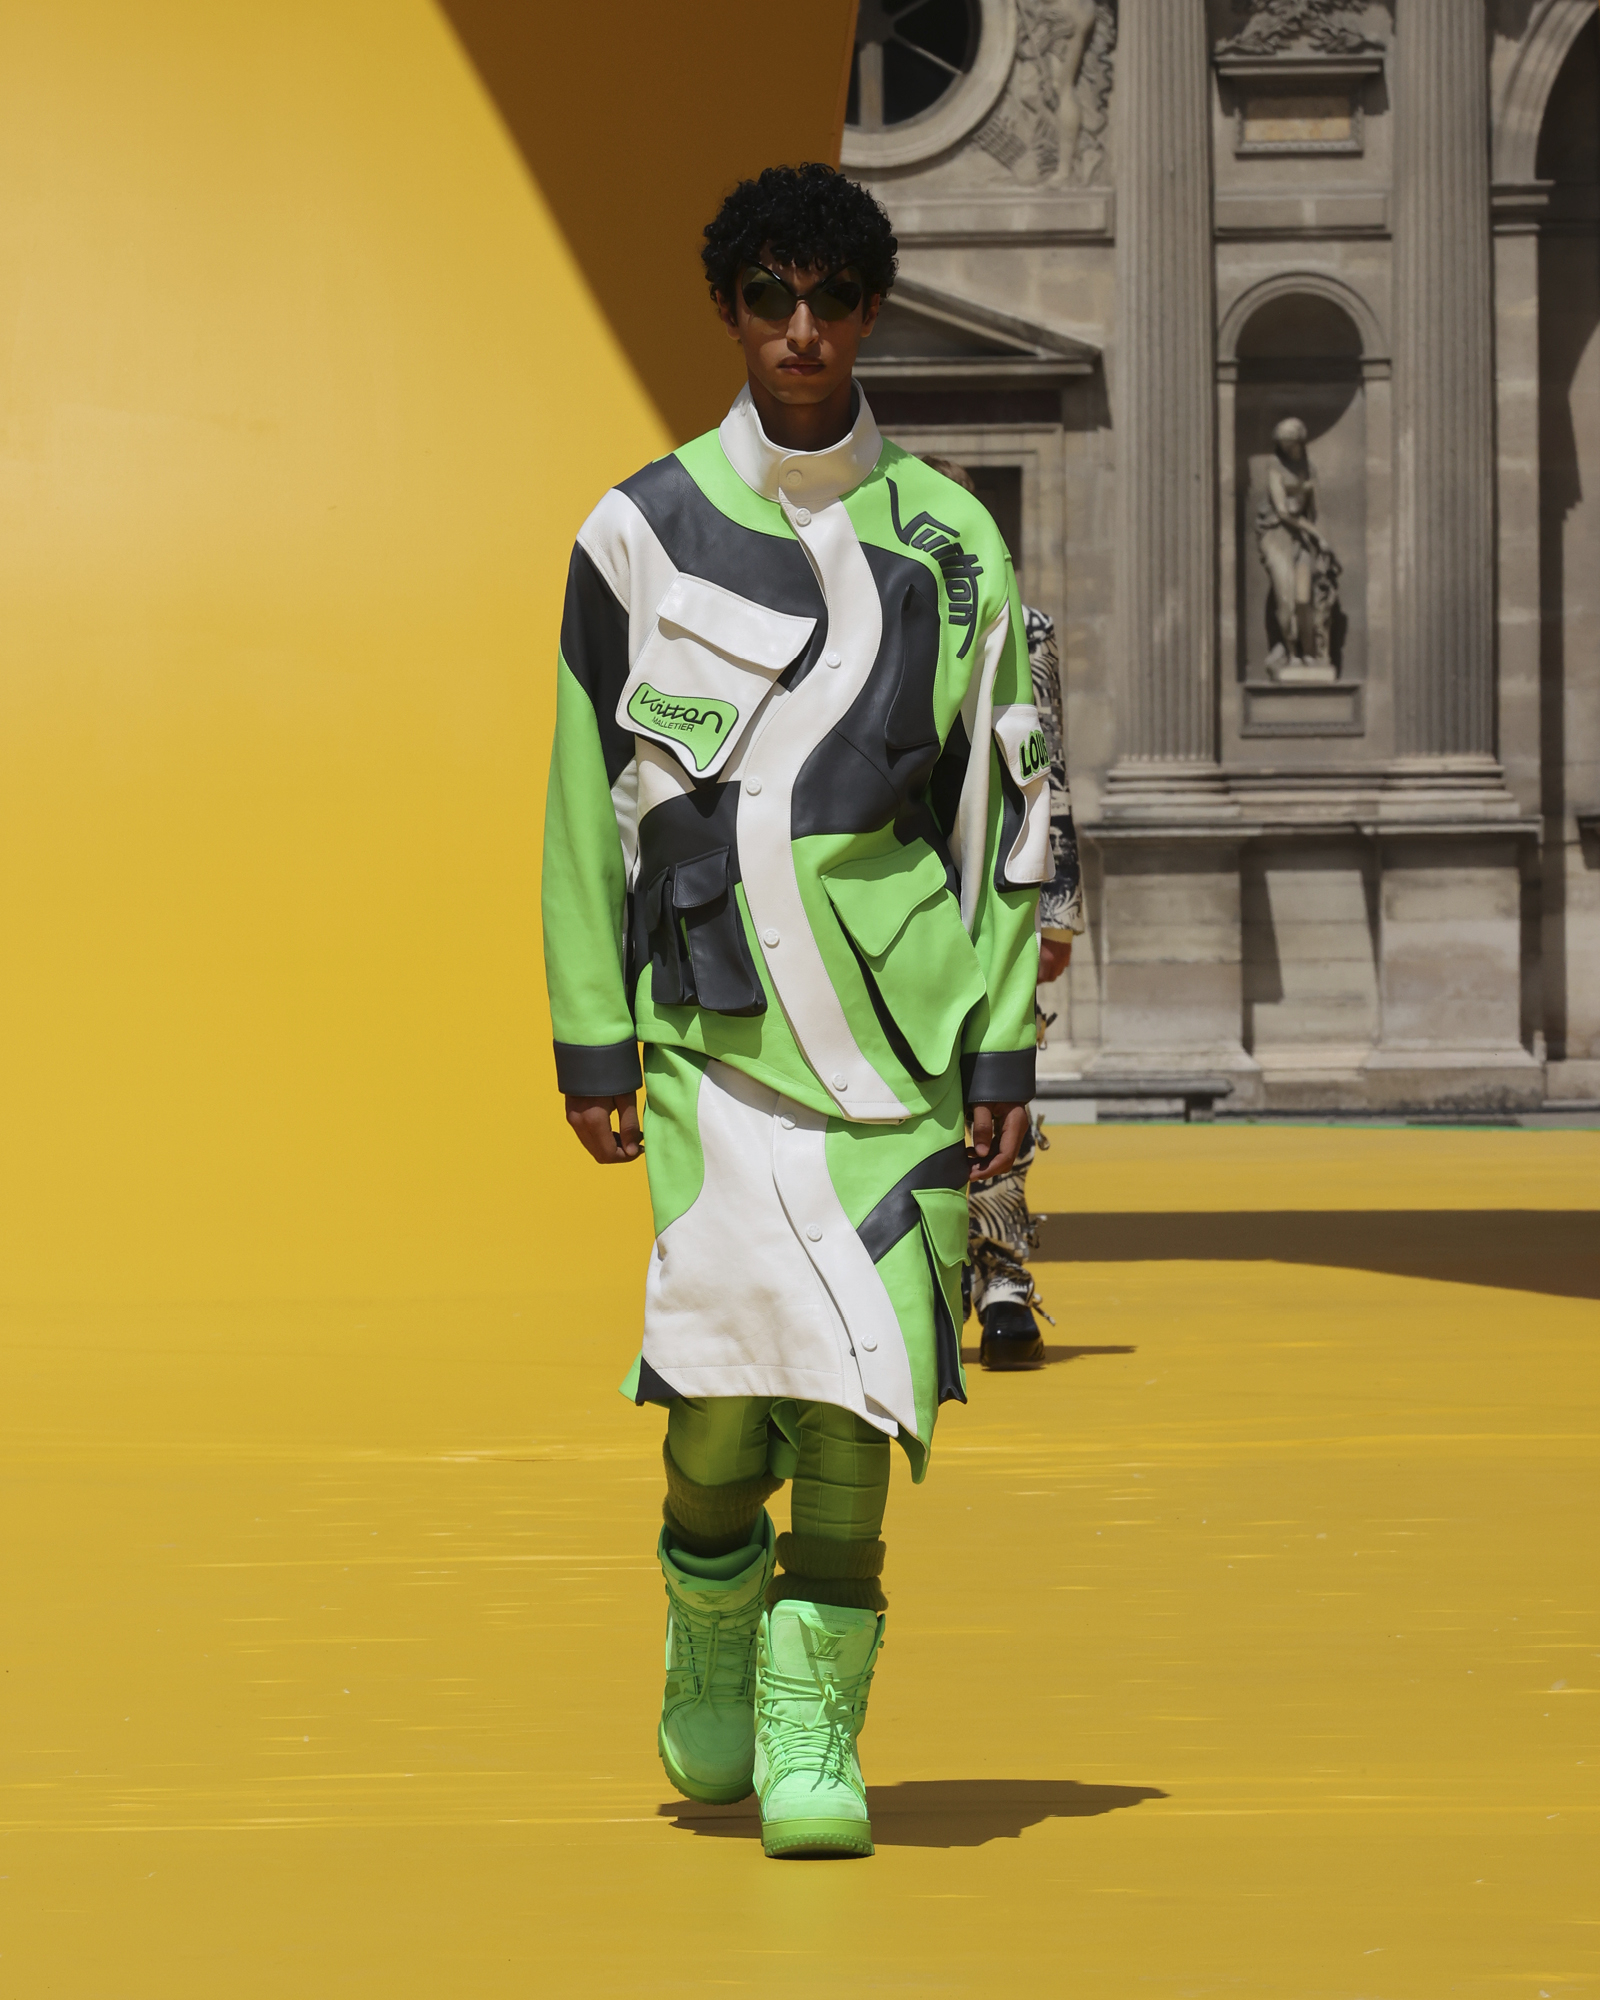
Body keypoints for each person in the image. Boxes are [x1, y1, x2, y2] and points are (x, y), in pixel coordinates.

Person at [542, 164, 1049, 1858]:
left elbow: (1007, 810)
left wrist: (1002, 1041)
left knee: (858, 1384)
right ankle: (707, 1604)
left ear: (873, 308)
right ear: (733, 311)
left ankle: (814, 1732)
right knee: (717, 1389)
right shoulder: (635, 531)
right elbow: (584, 798)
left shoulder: (955, 541)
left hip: (896, 1044)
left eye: (832, 298)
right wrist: (590, 1026)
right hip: (703, 1030)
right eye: (773, 297)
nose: (805, 332)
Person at [918, 457, 1085, 1370]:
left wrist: (1055, 911)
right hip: (892, 888)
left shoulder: (1027, 629)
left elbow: (1045, 774)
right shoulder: (863, 615)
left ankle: (1007, 1275)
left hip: (997, 884)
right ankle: (936, 1278)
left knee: (999, 1073)